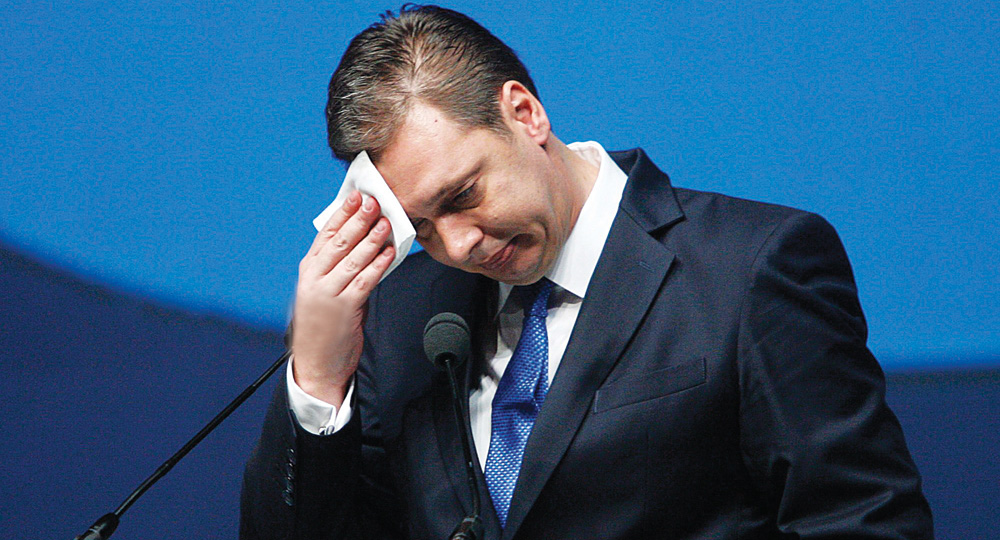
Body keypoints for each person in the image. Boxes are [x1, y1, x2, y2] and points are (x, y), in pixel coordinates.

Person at [241, 5, 933, 539]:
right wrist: (317, 381)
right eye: (420, 225)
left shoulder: (750, 269)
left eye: (463, 195)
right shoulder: (398, 317)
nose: (457, 243)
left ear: (524, 113)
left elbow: (865, 523)